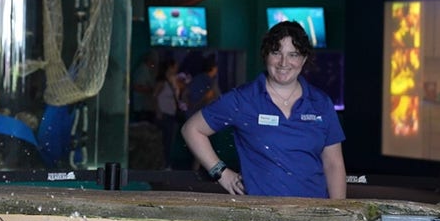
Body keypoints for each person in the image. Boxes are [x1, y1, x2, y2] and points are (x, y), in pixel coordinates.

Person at [181, 21, 347, 198]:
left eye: (293, 54)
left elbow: (333, 164)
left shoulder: (320, 103)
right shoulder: (243, 99)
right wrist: (222, 173)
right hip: (260, 216)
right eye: (276, 53)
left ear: (304, 59)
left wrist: (340, 216)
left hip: (312, 216)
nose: (284, 62)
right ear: (265, 55)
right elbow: (192, 129)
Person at [153, 56, 186, 169]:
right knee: (164, 141)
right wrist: (158, 112)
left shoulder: (173, 81)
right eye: (175, 66)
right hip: (164, 114)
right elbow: (154, 96)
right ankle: (164, 164)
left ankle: (166, 164)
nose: (177, 68)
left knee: (169, 140)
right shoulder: (162, 82)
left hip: (171, 114)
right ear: (170, 67)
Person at [130, 51, 157, 122]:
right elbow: (136, 87)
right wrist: (151, 90)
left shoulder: (146, 70)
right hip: (141, 106)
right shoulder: (142, 71)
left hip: (144, 106)